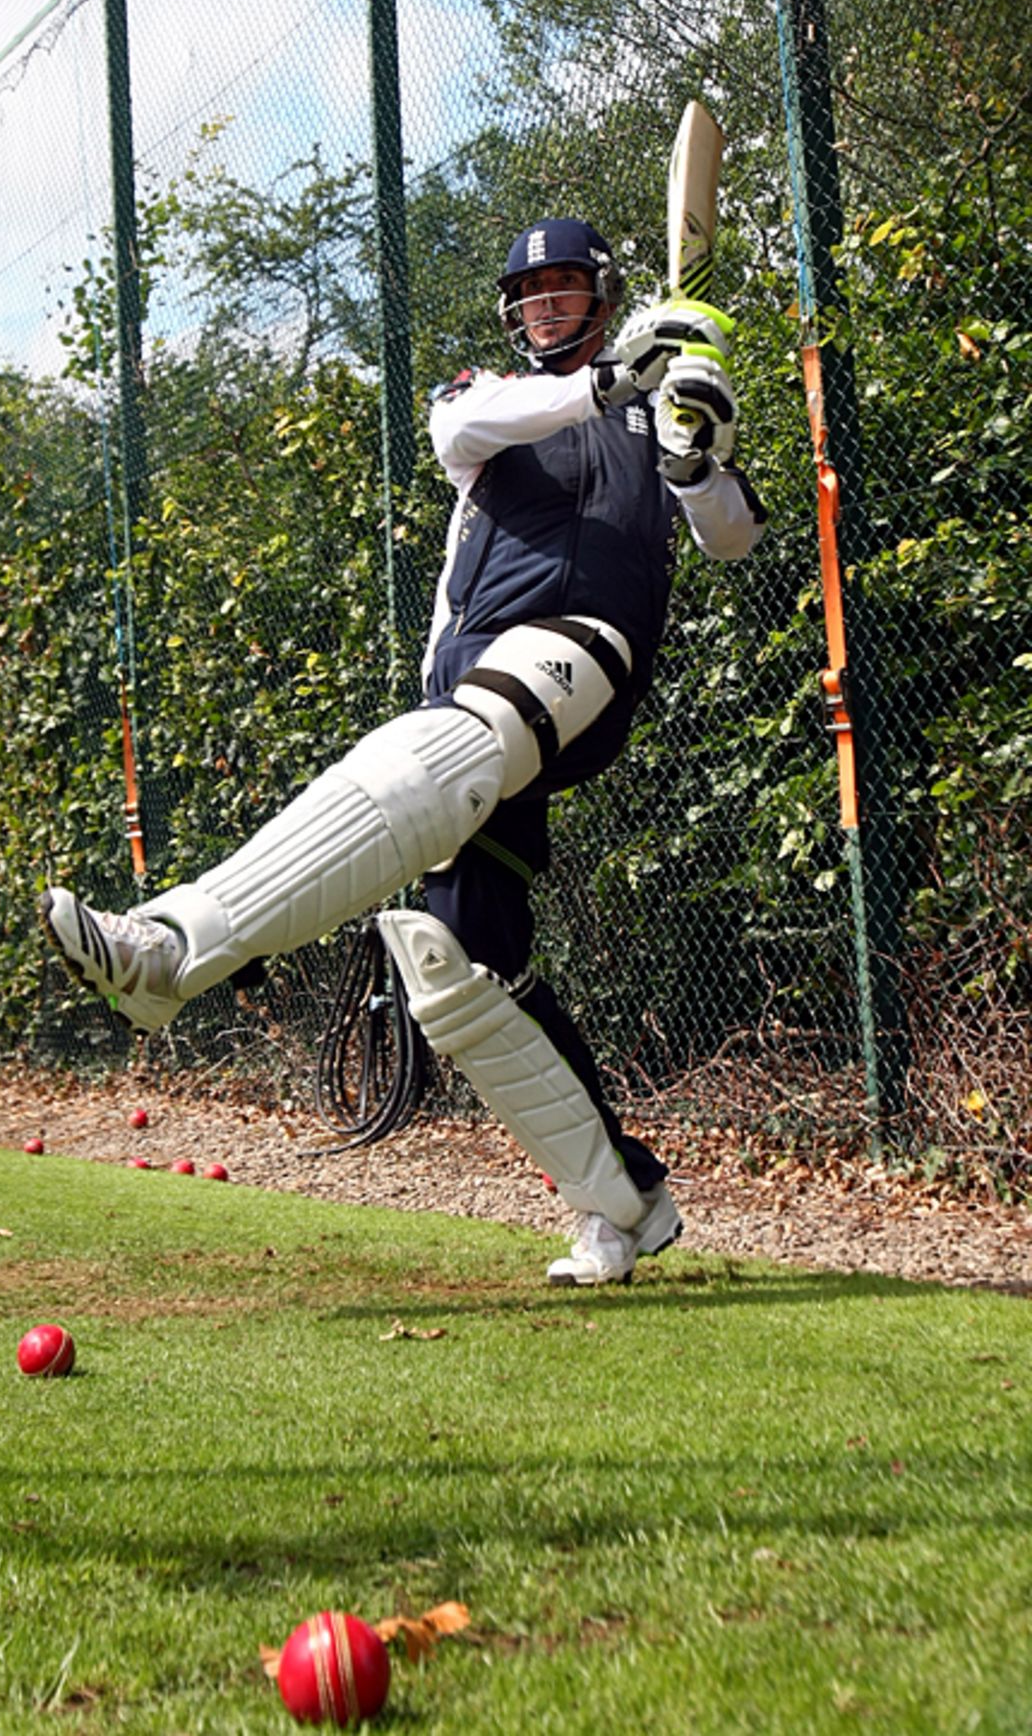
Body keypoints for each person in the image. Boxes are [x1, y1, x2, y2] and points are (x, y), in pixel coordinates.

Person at [41, 216, 766, 1284]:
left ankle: (165, 950)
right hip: (472, 694)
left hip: (582, 652)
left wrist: (696, 455)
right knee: (460, 960)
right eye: (530, 294)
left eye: (565, 287)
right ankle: (621, 1204)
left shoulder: (646, 416)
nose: (545, 307)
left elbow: (732, 534)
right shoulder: (487, 400)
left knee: (445, 758)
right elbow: (468, 429)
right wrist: (614, 379)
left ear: (604, 294)